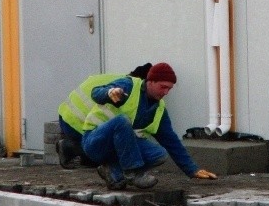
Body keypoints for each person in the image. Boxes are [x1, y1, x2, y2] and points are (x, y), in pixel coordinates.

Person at [81, 62, 218, 190]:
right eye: (163, 87)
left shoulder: (159, 109)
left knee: (159, 154)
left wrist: (192, 169)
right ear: (150, 81)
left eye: (169, 89)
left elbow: (171, 141)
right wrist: (109, 93)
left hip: (120, 149)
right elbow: (96, 92)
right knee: (122, 121)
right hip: (95, 142)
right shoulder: (129, 85)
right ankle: (133, 173)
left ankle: (114, 172)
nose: (166, 92)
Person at [56, 63, 152, 169]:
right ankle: (69, 147)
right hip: (74, 123)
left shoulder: (116, 79)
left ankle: (86, 158)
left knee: (97, 159)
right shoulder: (123, 92)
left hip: (65, 114)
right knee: (105, 150)